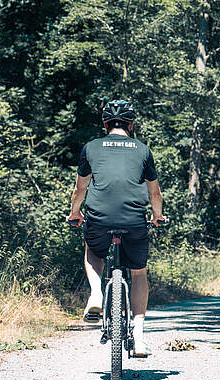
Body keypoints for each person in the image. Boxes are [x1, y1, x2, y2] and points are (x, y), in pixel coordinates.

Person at [67, 100, 166, 357]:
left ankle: (96, 296)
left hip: (99, 217)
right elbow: (154, 192)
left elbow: (81, 188)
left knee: (93, 250)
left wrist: (75, 212)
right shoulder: (142, 150)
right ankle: (140, 336)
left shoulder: (91, 148)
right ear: (131, 125)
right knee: (139, 272)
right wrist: (157, 216)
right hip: (134, 219)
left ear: (105, 124)